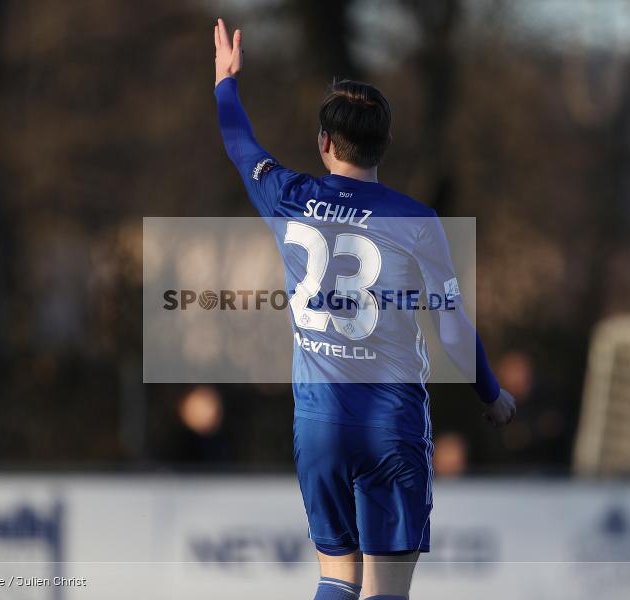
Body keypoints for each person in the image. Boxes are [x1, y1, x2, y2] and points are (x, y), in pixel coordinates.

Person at [213, 19, 515, 600]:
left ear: (325, 143)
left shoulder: (288, 196)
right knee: (387, 591)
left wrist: (227, 84)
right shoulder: (419, 221)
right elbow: (451, 330)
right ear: (384, 145)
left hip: (319, 424)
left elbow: (240, 146)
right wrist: (491, 394)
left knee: (335, 577)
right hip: (390, 427)